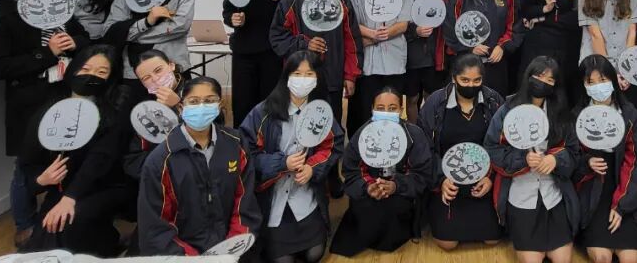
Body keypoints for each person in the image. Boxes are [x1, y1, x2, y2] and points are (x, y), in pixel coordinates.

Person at [0, 0, 90, 248]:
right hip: (28, 97)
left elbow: (83, 36)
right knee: (26, 164)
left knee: (67, 155)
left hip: (66, 91)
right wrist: (46, 53)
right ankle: (25, 224)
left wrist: (74, 43)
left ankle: (59, 218)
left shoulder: (57, 1)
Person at [19, 45, 133, 256]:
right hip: (62, 188)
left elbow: (101, 158)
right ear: (74, 69)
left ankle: (104, 245)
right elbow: (28, 162)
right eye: (85, 69)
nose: (91, 76)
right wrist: (41, 180)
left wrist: (70, 197)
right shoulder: (51, 109)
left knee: (69, 221)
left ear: (111, 77)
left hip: (105, 185)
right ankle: (108, 241)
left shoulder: (116, 107)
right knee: (46, 233)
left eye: (101, 72)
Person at [239, 51, 344, 263]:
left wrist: (312, 168)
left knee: (314, 254)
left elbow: (333, 145)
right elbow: (246, 153)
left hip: (304, 193)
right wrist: (282, 163)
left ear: (317, 78)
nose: (303, 80)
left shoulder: (321, 112)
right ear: (286, 77)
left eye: (309, 74)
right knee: (283, 260)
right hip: (272, 193)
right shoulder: (263, 112)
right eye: (297, 73)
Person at [138, 76, 261, 255]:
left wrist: (232, 249)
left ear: (219, 105)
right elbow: (156, 227)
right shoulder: (161, 160)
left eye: (209, 101)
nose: (202, 107)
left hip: (232, 248)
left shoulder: (236, 143)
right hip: (182, 253)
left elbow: (244, 203)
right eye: (194, 101)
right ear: (181, 108)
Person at [485, 57, 579, 263]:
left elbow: (574, 152)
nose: (542, 82)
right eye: (538, 76)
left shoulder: (561, 113)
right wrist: (523, 159)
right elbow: (492, 149)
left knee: (563, 259)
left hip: (554, 194)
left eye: (549, 80)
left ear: (555, 85)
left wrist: (556, 160)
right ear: (528, 77)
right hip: (520, 195)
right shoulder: (507, 109)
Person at [271, 0, 361, 138]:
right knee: (301, 128)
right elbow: (277, 37)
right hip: (301, 80)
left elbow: (352, 40)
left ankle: (330, 159)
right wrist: (304, 43)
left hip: (333, 79)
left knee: (332, 128)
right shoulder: (292, 0)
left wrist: (350, 76)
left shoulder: (342, 0)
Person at [331, 86, 433, 257]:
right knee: (365, 210)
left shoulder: (414, 134)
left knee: (395, 209)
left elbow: (422, 173)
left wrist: (395, 185)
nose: (386, 112)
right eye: (380, 108)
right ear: (372, 109)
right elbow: (350, 170)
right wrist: (368, 187)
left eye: (392, 108)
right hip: (369, 189)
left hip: (401, 192)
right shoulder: (363, 134)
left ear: (401, 110)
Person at [417, 54, 505, 250]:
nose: (471, 85)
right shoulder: (435, 103)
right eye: (465, 80)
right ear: (454, 78)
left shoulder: (494, 101)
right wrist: (441, 179)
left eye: (477, 80)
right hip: (448, 180)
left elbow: (502, 145)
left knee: (492, 239)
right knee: (447, 243)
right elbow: (424, 149)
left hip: (482, 179)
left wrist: (490, 177)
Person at [572, 55, 637, 263]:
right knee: (602, 257)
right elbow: (570, 156)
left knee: (629, 258)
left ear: (613, 81)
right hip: (591, 192)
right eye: (590, 82)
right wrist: (586, 162)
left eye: (603, 80)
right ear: (583, 85)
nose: (598, 86)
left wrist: (622, 205)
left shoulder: (630, 115)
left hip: (623, 189)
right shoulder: (577, 115)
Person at [220, 0, 299, 127]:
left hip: (272, 55)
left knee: (271, 107)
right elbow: (227, 9)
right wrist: (232, 19)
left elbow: (292, 19)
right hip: (243, 53)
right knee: (242, 107)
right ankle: (243, 146)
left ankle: (270, 146)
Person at [347, 0, 413, 131]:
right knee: (365, 113)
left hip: (395, 60)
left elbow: (403, 23)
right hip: (367, 61)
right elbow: (352, 23)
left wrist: (386, 33)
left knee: (391, 112)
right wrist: (372, 34)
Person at [443, 0, 522, 96]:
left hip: (496, 62)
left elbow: (515, 24)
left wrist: (502, 47)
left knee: (496, 102)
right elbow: (451, 26)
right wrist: (469, 47)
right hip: (467, 63)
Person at [403, 0, 447, 122]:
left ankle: (430, 133)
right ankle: (413, 132)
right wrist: (415, 31)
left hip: (433, 53)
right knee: (412, 98)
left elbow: (446, 18)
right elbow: (397, 20)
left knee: (432, 98)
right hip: (410, 54)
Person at [124, 50, 184, 183]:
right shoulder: (144, 110)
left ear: (171, 65)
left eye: (158, 70)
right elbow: (133, 161)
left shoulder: (197, 90)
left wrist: (179, 105)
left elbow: (214, 130)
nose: (156, 79)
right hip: (161, 175)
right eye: (146, 78)